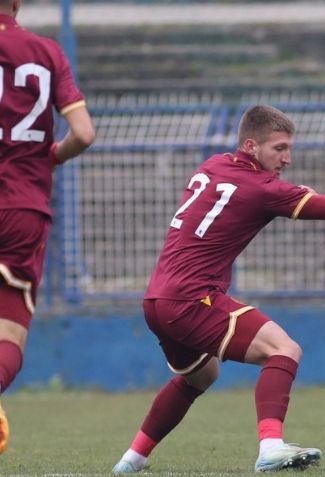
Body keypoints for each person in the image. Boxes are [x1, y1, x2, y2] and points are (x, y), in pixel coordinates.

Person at [110, 104, 325, 474]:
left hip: (156, 299)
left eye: (289, 149)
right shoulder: (262, 188)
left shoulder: (213, 165)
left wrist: (294, 192)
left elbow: (256, 196)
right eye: (279, 148)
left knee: (201, 375)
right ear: (251, 146)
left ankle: (131, 460)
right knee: (284, 350)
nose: (287, 158)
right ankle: (270, 447)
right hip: (191, 299)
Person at [0, 0, 96, 455]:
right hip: (22, 204)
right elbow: (83, 133)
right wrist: (50, 157)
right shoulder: (46, 52)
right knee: (9, 334)